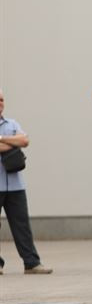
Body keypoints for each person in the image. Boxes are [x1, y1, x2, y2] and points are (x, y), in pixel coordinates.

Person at [0, 89, 52, 276]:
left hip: (16, 185)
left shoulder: (12, 124)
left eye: (2, 99)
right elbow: (18, 142)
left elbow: (24, 140)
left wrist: (2, 139)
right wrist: (13, 142)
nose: (0, 103)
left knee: (22, 225)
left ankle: (31, 263)